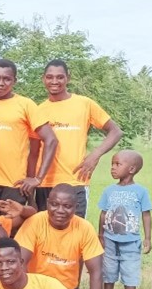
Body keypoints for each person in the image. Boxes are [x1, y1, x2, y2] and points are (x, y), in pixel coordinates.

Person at [32, 59, 122, 216]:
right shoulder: (38, 110)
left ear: (68, 77)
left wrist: (95, 155)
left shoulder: (84, 104)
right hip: (44, 183)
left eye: (60, 77)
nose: (54, 81)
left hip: (75, 180)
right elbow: (32, 150)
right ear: (43, 79)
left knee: (74, 234)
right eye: (49, 77)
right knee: (46, 236)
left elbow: (115, 131)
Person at [0, 59, 58, 205]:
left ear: (14, 81)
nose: (1, 83)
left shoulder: (25, 105)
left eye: (7, 79)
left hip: (14, 183)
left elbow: (51, 140)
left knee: (10, 226)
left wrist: (37, 178)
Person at [98, 150, 152, 289]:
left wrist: (148, 238)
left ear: (131, 169)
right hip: (109, 239)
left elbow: (146, 214)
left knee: (130, 272)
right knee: (108, 269)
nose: (113, 168)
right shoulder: (109, 191)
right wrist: (100, 234)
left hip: (131, 241)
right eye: (112, 164)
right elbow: (103, 213)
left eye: (117, 164)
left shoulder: (141, 191)